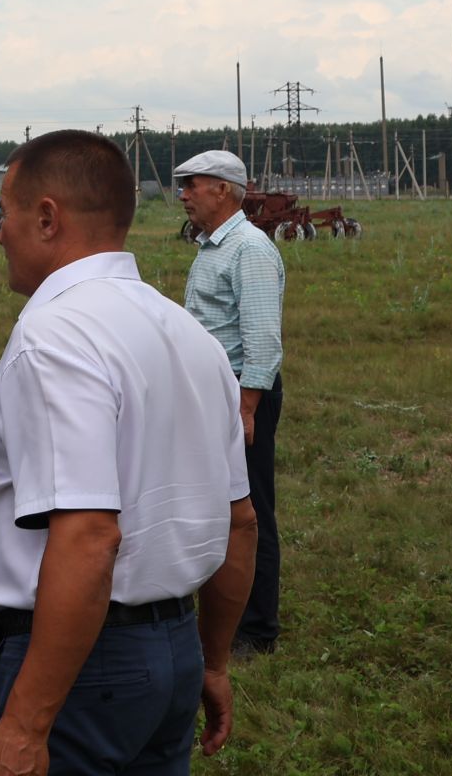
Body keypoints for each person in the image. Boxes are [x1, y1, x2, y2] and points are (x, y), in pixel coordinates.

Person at [0, 130, 257, 776]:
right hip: (173, 652)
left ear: (46, 218)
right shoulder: (191, 337)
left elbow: (91, 536)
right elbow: (240, 522)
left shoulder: (57, 339)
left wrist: (24, 725)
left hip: (84, 669)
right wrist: (210, 661)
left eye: (3, 216)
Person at [173, 148, 285, 656]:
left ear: (222, 189)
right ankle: (223, 609)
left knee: (249, 507)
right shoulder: (213, 246)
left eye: (191, 184)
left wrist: (246, 407)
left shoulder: (249, 249)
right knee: (216, 502)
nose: (183, 194)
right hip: (215, 391)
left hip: (241, 392)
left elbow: (262, 339)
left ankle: (257, 629)